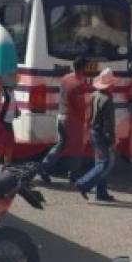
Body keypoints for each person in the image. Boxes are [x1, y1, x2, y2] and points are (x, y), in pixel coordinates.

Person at [38, 56, 89, 184]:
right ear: (83, 68)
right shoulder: (78, 84)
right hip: (73, 119)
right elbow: (80, 105)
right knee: (77, 147)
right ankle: (74, 175)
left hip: (61, 115)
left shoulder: (66, 79)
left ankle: (44, 167)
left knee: (61, 144)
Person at [76, 68, 117, 202]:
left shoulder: (94, 95)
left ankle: (101, 192)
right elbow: (108, 124)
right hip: (102, 134)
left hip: (94, 131)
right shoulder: (107, 100)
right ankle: (83, 183)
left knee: (99, 162)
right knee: (105, 163)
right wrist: (111, 139)